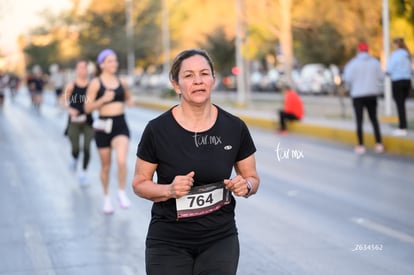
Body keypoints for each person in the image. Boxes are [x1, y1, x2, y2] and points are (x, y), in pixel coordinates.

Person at [132, 49, 260, 275]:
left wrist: (246, 186)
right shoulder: (157, 130)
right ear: (176, 85)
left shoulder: (234, 127)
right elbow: (139, 183)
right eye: (189, 75)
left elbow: (252, 178)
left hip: (220, 239)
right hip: (168, 241)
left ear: (213, 80)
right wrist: (169, 190)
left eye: (204, 74)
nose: (198, 81)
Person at [84, 49, 133, 214]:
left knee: (121, 161)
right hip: (103, 126)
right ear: (102, 64)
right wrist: (102, 100)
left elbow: (128, 97)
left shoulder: (122, 81)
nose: (114, 64)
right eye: (110, 61)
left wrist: (130, 100)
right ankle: (106, 198)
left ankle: (121, 192)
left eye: (116, 61)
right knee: (106, 166)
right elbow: (87, 107)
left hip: (120, 124)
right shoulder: (96, 83)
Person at [343, 42, 384, 154]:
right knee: (374, 119)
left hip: (358, 95)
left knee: (359, 120)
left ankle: (361, 145)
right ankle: (379, 143)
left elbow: (347, 78)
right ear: (368, 50)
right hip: (372, 94)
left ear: (358, 50)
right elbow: (381, 77)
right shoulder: (375, 62)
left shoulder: (353, 63)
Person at [61, 59, 94, 186]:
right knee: (75, 148)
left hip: (87, 121)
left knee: (86, 148)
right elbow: (63, 102)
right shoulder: (71, 86)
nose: (82, 70)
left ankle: (83, 174)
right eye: (79, 68)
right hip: (74, 121)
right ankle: (74, 158)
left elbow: (95, 101)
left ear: (87, 70)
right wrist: (70, 109)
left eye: (84, 68)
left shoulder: (92, 86)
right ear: (76, 70)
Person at [386, 37, 412, 137]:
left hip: (398, 81)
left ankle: (402, 127)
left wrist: (387, 73)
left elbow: (389, 68)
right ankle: (403, 126)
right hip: (407, 81)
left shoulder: (395, 55)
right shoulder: (407, 55)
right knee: (402, 105)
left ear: (397, 45)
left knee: (400, 105)